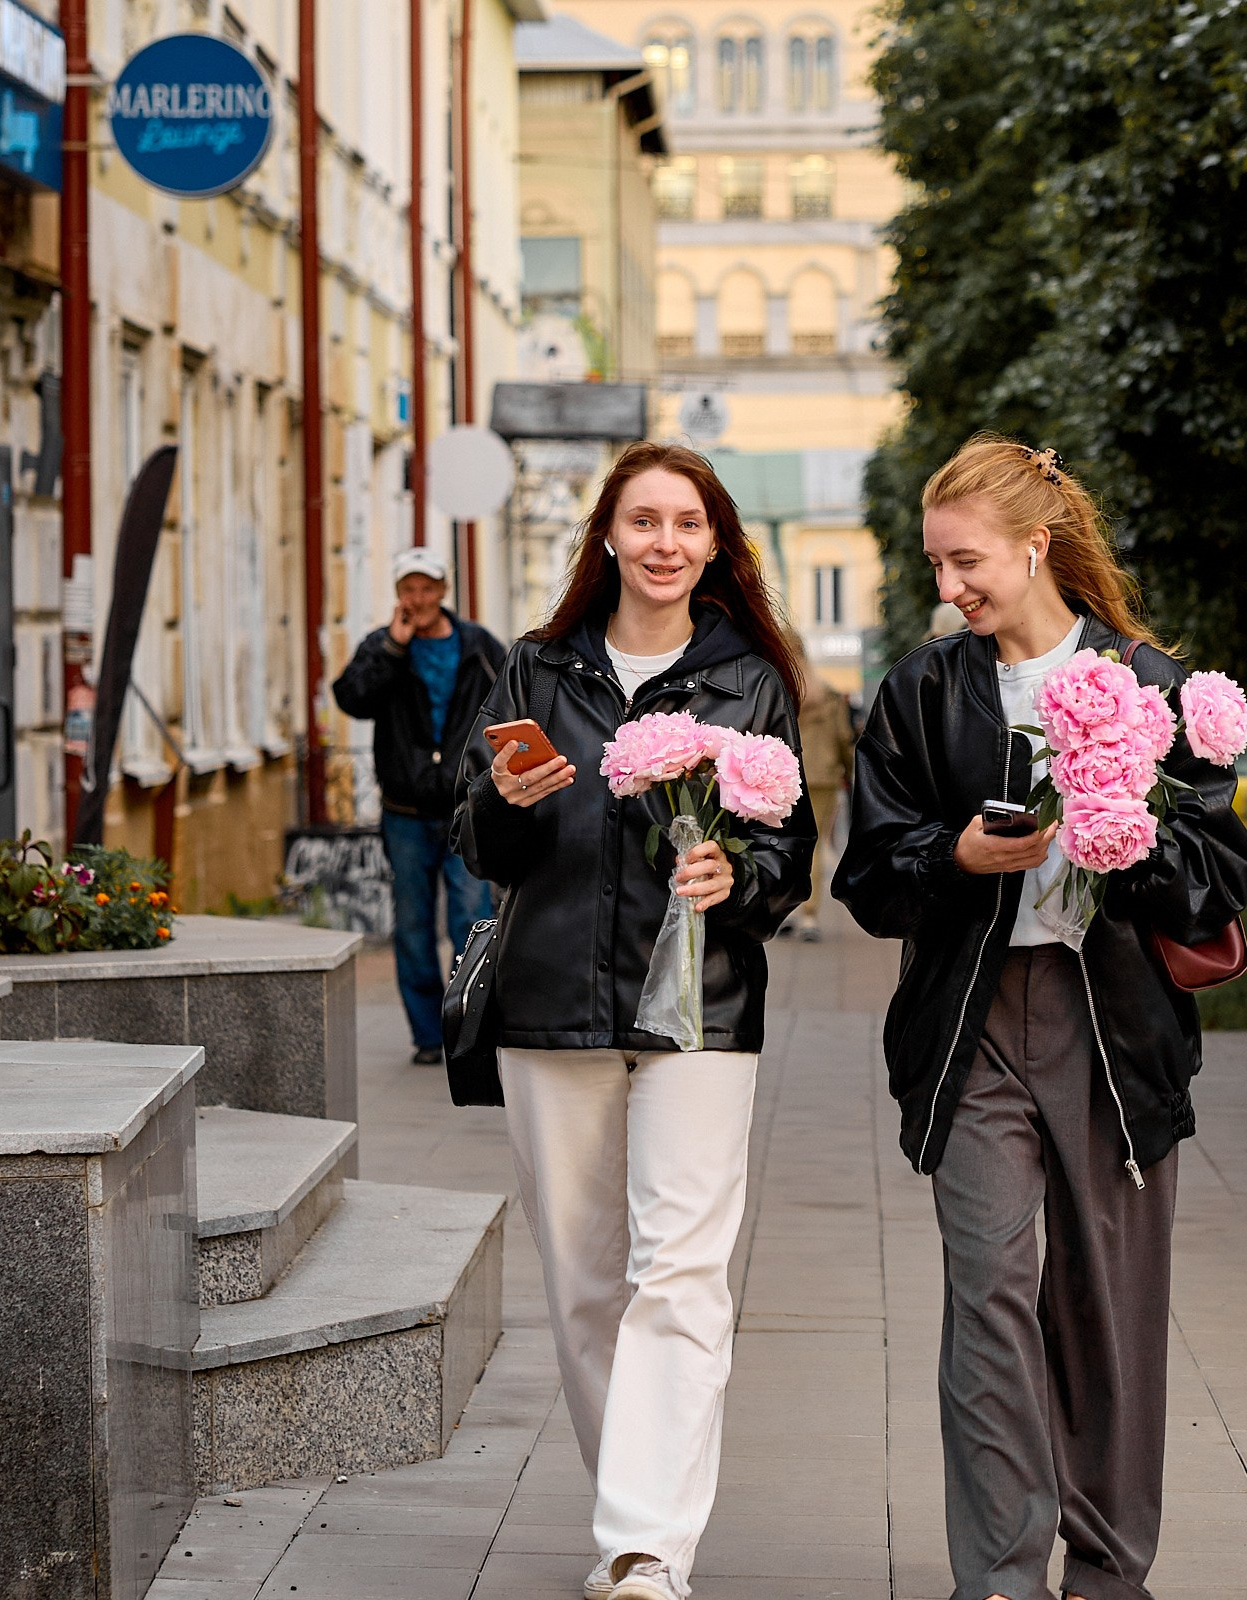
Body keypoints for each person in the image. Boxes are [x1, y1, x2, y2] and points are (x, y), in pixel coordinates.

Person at [835, 435, 1247, 1600]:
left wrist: (1128, 834)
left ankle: (1109, 1572)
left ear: (1035, 545)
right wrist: (955, 857)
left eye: (966, 561)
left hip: (1111, 1033)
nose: (949, 587)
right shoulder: (926, 689)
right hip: (972, 1028)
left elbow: (1219, 878)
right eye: (936, 564)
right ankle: (1000, 1575)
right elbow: (868, 874)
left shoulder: (1153, 684)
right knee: (986, 1295)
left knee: (1104, 1308)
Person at [451, 442, 814, 1600]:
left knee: (681, 1273)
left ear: (715, 544)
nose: (665, 542)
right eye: (644, 520)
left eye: (687, 523)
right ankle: (635, 1514)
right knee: (583, 1285)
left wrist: (738, 880)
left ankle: (644, 1547)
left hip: (700, 1006)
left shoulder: (749, 679)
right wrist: (505, 802)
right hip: (551, 1002)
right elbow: (476, 840)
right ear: (607, 533)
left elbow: (790, 852)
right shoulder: (535, 666)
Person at [332, 545, 507, 1065]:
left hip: (465, 810)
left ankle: (466, 1030)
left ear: (443, 591)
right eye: (408, 589)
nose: (418, 598)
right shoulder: (382, 645)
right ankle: (429, 1037)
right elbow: (352, 698)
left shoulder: (477, 644)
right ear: (398, 595)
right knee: (412, 927)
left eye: (427, 588)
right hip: (404, 814)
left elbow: (514, 701)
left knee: (470, 920)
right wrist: (392, 647)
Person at [786, 633, 857, 942]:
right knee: (813, 845)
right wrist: (850, 771)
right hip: (824, 776)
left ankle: (789, 908)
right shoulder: (826, 693)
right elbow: (843, 738)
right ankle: (809, 915)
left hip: (784, 776)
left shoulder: (779, 690)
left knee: (786, 844)